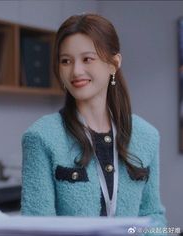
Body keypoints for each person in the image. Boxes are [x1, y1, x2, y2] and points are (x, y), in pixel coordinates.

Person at [21, 13, 166, 229]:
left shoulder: (147, 136)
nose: (76, 71)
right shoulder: (41, 136)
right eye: (66, 61)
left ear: (113, 64)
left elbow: (153, 215)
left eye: (87, 59)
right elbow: (36, 227)